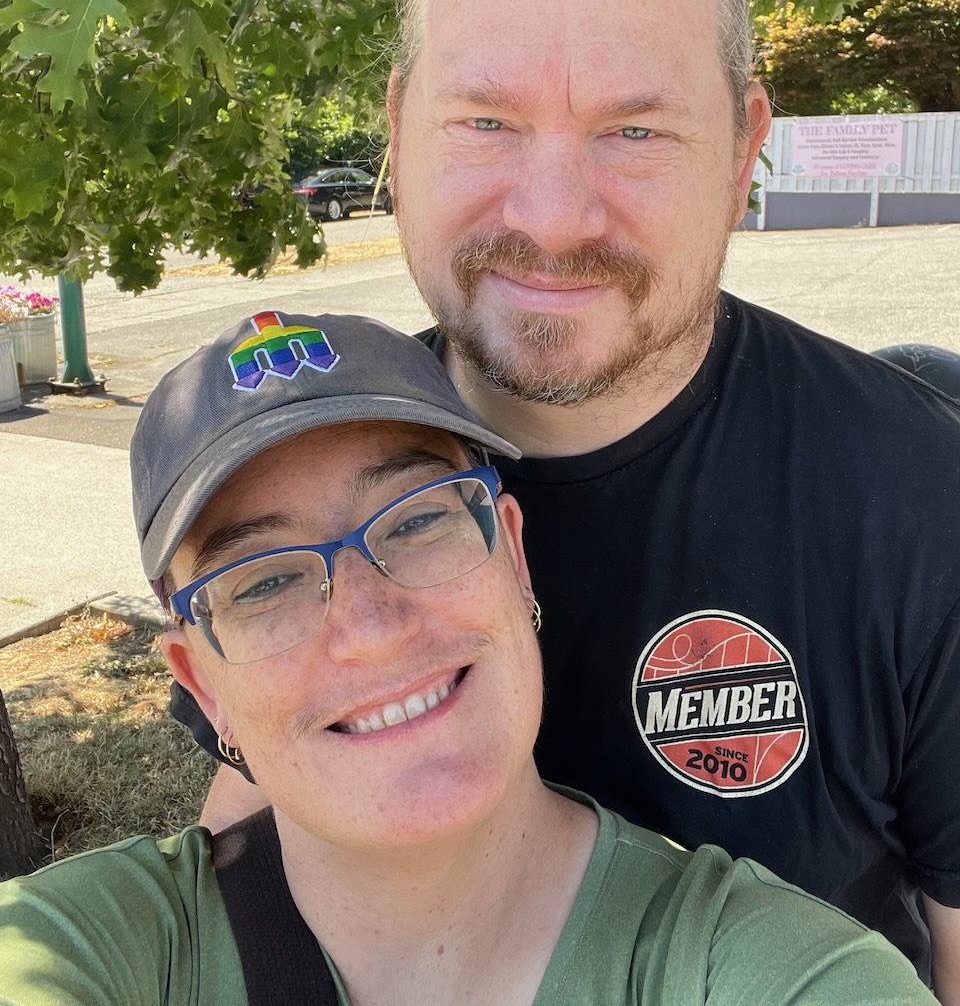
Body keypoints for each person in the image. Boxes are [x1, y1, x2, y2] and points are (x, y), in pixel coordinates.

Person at [171, 0, 960, 997]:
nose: (550, 216)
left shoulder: (920, 494)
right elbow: (249, 848)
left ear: (744, 149)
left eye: (634, 130)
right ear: (397, 128)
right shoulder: (276, 479)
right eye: (486, 121)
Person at [0, 310, 937, 1005]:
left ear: (515, 555)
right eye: (264, 582)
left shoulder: (780, 974)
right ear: (205, 687)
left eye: (416, 521)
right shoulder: (80, 953)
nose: (369, 624)